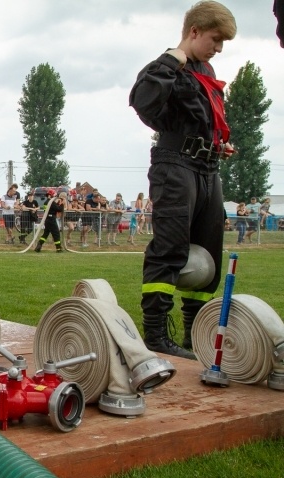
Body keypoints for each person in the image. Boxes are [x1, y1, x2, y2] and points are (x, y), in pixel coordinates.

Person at [129, 0, 237, 359]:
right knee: (171, 249)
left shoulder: (207, 72)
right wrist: (172, 60)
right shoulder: (168, 66)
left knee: (209, 254)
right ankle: (156, 335)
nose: (218, 48)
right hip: (175, 166)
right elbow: (143, 101)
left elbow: (201, 118)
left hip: (208, 169)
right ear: (194, 31)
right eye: (215, 39)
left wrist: (218, 143)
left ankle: (196, 334)